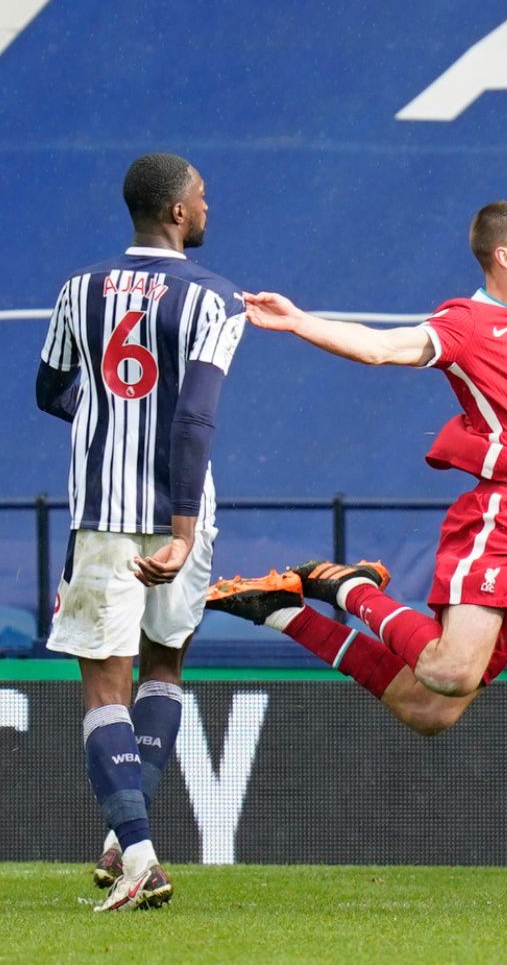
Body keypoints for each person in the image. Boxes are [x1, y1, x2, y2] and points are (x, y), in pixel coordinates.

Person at [204, 202, 507, 737]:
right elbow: (382, 348)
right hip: (503, 515)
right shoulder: (468, 324)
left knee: (431, 709)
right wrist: (298, 322)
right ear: (503, 255)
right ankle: (348, 590)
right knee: (448, 672)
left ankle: (280, 610)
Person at [38, 153, 244, 912]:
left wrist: (109, 423)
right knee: (162, 668)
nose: (208, 207)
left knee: (101, 687)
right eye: (203, 197)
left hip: (103, 512)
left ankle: (135, 848)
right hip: (185, 513)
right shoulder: (216, 299)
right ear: (179, 213)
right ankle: (135, 850)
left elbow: (49, 389)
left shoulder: (75, 290)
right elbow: (194, 418)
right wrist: (185, 532)